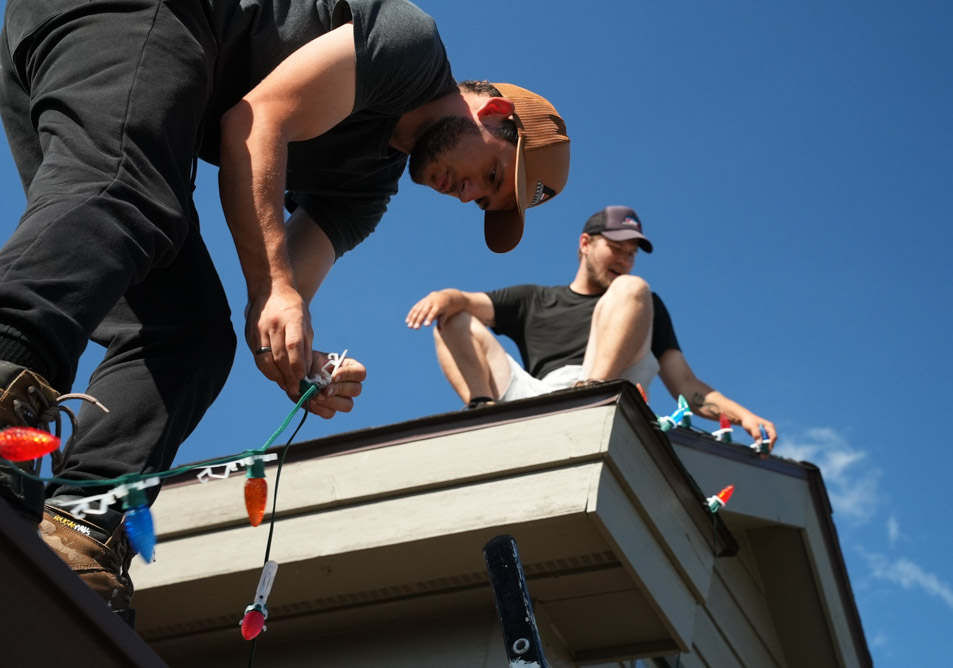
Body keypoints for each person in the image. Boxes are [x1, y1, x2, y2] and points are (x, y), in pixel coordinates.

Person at [0, 0, 570, 621]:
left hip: (76, 58)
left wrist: (301, 364)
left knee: (187, 333)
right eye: (489, 173)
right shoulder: (412, 47)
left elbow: (278, 298)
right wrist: (274, 288)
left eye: (484, 200)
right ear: (493, 112)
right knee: (124, 190)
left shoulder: (364, 191)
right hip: (143, 13)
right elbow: (254, 122)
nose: (470, 194)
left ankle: (79, 529)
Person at [406, 205, 776, 445]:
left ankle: (592, 393)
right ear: (585, 244)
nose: (625, 260)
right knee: (453, 316)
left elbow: (687, 386)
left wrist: (742, 415)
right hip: (538, 401)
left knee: (633, 290)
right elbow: (464, 302)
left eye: (631, 254)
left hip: (612, 394)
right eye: (616, 248)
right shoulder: (535, 299)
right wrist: (445, 295)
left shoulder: (642, 301)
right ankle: (483, 414)